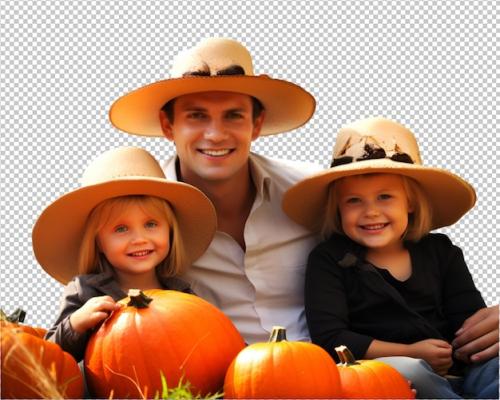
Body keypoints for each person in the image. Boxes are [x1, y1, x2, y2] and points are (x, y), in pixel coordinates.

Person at [108, 38, 323, 344]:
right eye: (196, 116)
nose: (215, 134)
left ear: (257, 124)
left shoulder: (312, 192)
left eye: (233, 115)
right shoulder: (141, 218)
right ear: (168, 126)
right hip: (209, 381)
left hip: (325, 369)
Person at [282, 117, 499, 398]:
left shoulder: (441, 252)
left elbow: (469, 319)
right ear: (338, 209)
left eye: (385, 197)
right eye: (354, 201)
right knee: (409, 371)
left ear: (409, 202)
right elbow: (331, 338)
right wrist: (409, 352)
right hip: (384, 372)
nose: (370, 212)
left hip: (459, 367)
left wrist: (474, 346)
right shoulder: (329, 259)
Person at [33, 146, 216, 361]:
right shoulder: (85, 291)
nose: (139, 239)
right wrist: (76, 324)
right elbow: (48, 357)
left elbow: (211, 341)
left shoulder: (182, 293)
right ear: (98, 242)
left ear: (170, 231)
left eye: (151, 224)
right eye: (121, 229)